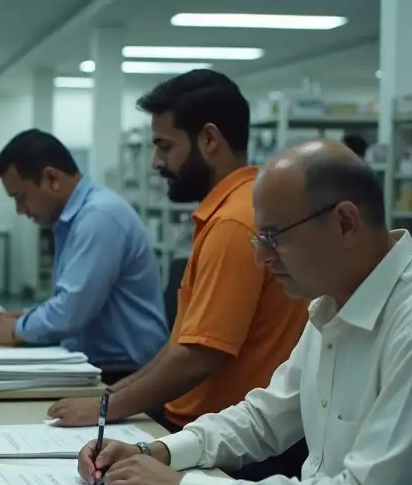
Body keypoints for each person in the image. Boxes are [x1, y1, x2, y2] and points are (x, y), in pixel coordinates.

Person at [79, 139, 412, 485]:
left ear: (346, 222)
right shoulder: (334, 300)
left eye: (274, 237)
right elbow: (265, 418)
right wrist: (159, 452)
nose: (262, 259)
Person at [48, 70, 308, 456]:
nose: (156, 162)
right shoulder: (234, 209)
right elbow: (182, 345)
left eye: (165, 147)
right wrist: (109, 397)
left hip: (226, 444)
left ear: (209, 139)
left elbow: (199, 357)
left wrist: (106, 409)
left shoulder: (234, 223)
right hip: (203, 427)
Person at [0, 128, 165, 374]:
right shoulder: (77, 218)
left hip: (125, 372)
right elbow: (74, 301)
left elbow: (69, 313)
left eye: (21, 197)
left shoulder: (99, 217)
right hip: (101, 361)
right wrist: (26, 316)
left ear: (52, 178)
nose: (20, 210)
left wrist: (15, 329)